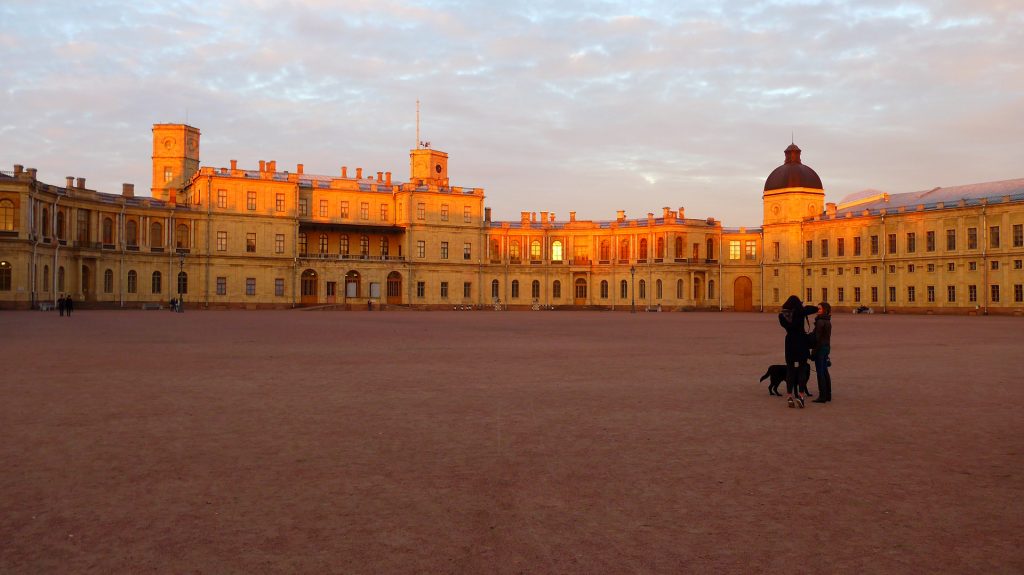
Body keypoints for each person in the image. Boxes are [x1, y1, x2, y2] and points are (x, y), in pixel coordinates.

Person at [778, 295, 817, 408]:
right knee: (802, 369)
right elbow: (814, 308)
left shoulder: (782, 316)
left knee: (789, 370)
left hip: (790, 342)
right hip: (801, 341)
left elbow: (786, 323)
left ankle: (789, 396)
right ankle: (800, 395)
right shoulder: (801, 312)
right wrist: (802, 306)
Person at [812, 302, 833, 403]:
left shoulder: (820, 321)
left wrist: (813, 352)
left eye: (819, 309)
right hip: (826, 347)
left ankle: (822, 396)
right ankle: (828, 394)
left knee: (820, 372)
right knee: (824, 371)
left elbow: (817, 339)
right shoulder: (828, 320)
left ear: (824, 310)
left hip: (820, 348)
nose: (818, 310)